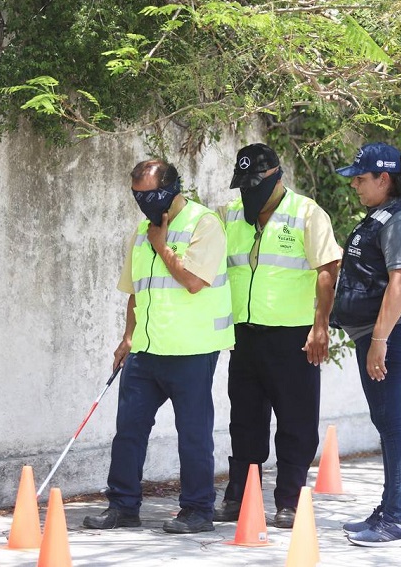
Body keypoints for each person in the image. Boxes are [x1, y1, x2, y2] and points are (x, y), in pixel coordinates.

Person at [82, 158, 234, 534]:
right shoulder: (141, 232)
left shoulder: (204, 223)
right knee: (129, 431)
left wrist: (162, 246)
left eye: (150, 195)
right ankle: (122, 507)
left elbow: (194, 281)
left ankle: (198, 510)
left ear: (171, 189)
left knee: (193, 433)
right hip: (146, 350)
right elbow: (136, 292)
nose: (144, 202)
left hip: (191, 351)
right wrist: (127, 336)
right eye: (137, 196)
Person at [213, 143, 341, 529]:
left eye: (254, 184)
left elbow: (327, 269)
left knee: (296, 423)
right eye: (243, 185)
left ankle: (289, 501)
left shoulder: (306, 213)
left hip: (293, 338)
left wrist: (320, 327)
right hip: (246, 336)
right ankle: (239, 497)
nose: (247, 193)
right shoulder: (230, 215)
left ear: (275, 177)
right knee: (245, 422)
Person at [331, 142, 401, 547]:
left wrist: (379, 340)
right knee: (388, 425)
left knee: (395, 426)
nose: (355, 185)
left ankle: (398, 521)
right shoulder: (382, 216)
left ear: (384, 178)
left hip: (395, 335)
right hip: (382, 335)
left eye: (361, 178)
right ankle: (390, 510)